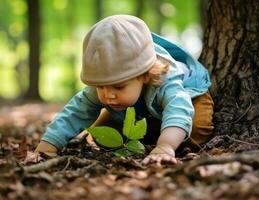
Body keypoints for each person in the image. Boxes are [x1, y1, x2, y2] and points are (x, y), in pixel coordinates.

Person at [35, 15, 214, 165]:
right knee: (101, 135)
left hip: (190, 96)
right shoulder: (106, 83)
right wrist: (46, 147)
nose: (108, 95)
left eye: (119, 86)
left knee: (197, 130)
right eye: (100, 87)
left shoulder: (165, 79)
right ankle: (152, 132)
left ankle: (163, 136)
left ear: (144, 75)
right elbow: (75, 112)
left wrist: (165, 146)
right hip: (137, 108)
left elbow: (178, 108)